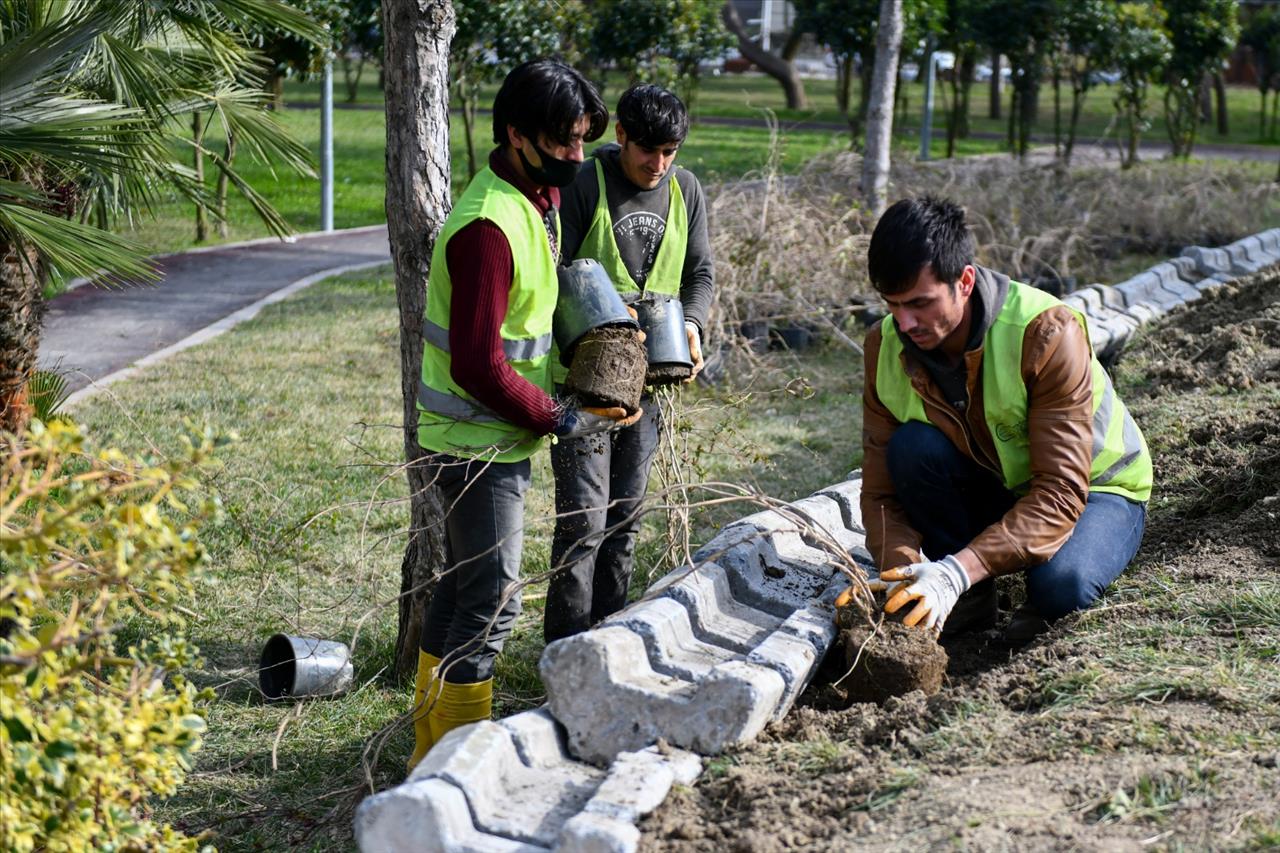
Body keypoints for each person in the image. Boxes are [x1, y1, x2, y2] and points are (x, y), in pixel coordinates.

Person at [409, 60, 641, 770]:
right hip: (475, 443)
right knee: (494, 601)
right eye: (564, 142)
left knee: (461, 587)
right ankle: (457, 768)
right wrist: (558, 417)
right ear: (516, 135)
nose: (579, 156)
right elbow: (480, 364)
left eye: (582, 140)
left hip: (483, 436)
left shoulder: (531, 200)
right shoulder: (487, 226)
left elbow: (526, 327)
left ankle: (427, 752)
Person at [858, 196, 1151, 642]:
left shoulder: (1045, 333)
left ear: (965, 281)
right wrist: (901, 574)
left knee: (1060, 587)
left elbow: (1058, 493)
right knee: (912, 448)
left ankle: (1002, 590)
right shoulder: (884, 347)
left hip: (1094, 488)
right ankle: (972, 607)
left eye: (920, 303)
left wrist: (954, 571)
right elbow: (881, 492)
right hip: (1001, 483)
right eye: (892, 304)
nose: (905, 322)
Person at [543, 83, 715, 643]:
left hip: (649, 388)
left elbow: (699, 276)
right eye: (648, 151)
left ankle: (609, 644)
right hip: (584, 385)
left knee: (623, 520)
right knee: (583, 525)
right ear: (620, 136)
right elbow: (553, 272)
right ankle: (564, 650)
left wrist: (690, 324)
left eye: (671, 151)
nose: (659, 164)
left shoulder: (686, 189)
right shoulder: (585, 183)